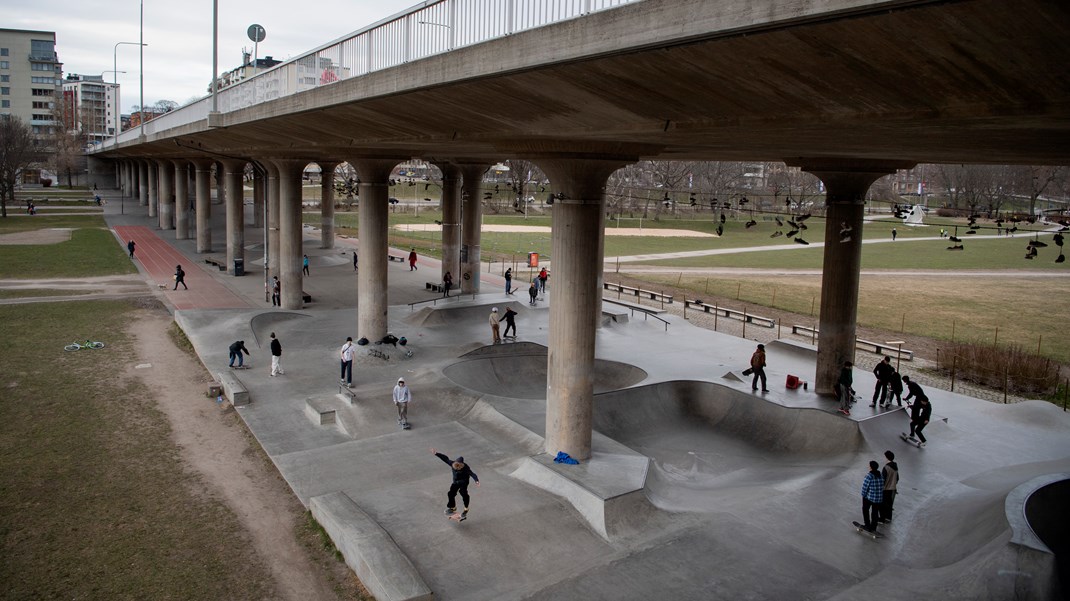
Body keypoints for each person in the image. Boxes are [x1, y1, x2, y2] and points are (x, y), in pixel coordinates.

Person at [431, 447, 480, 520]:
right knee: (450, 493)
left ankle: (466, 509)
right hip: (455, 482)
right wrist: (436, 453)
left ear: (461, 465)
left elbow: (472, 474)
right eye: (455, 469)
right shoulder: (452, 463)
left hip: (464, 482)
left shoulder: (465, 467)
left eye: (458, 469)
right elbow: (445, 458)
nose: (457, 470)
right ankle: (453, 507)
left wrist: (476, 480)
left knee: (464, 494)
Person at [903, 377, 932, 446]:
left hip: (924, 420)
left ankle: (924, 441)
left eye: (922, 402)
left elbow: (928, 413)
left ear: (924, 401)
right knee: (912, 424)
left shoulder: (928, 407)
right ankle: (912, 435)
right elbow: (917, 406)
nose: (921, 403)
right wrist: (912, 406)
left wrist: (927, 419)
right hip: (921, 417)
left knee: (918, 430)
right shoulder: (923, 404)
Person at [860, 460, 884, 533]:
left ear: (871, 467)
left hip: (870, 497)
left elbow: (864, 487)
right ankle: (873, 527)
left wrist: (863, 495)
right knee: (875, 512)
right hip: (879, 498)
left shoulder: (869, 476)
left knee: (865, 509)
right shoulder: (880, 475)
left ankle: (867, 525)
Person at [879, 450, 899, 524]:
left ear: (887, 457)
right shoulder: (895, 467)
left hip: (885, 488)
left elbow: (883, 479)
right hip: (892, 488)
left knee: (882, 504)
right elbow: (897, 478)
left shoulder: (886, 467)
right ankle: (888, 517)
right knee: (889, 503)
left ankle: (881, 519)